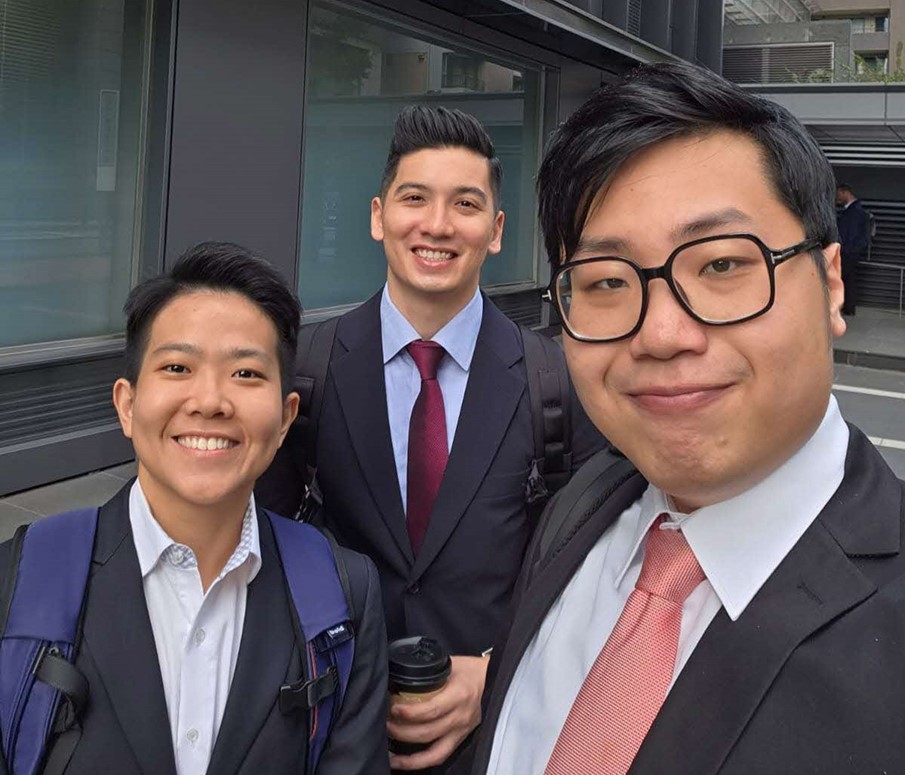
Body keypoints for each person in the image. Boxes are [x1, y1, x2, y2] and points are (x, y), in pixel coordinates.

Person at [468, 62, 905, 774]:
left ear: (830, 283)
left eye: (722, 266)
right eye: (606, 281)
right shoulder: (578, 507)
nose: (662, 333)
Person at [257, 105, 603, 771]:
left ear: (496, 230)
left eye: (465, 204)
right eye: (415, 198)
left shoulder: (556, 380)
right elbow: (259, 541)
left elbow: (595, 563)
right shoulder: (306, 368)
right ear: (378, 215)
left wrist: (498, 669)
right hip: (332, 724)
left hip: (496, 734)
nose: (437, 225)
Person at [0, 242, 390, 774]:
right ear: (127, 405)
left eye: (247, 374)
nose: (210, 401)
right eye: (178, 367)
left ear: (284, 419)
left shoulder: (343, 596)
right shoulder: (22, 579)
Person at [835, 183, 871, 316]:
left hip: (848, 252)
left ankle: (836, 306)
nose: (837, 198)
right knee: (849, 279)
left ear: (846, 193)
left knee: (837, 278)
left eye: (838, 194)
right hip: (850, 251)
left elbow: (852, 234)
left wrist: (845, 250)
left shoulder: (855, 211)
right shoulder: (853, 210)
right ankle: (849, 308)